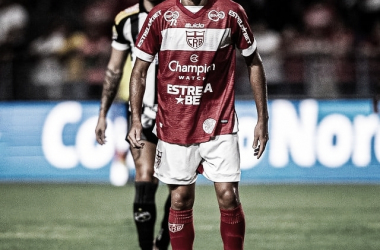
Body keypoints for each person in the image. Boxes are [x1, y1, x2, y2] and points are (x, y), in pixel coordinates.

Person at [127, 0, 269, 249]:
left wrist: (262, 119)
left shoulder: (230, 13)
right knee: (180, 198)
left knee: (228, 195)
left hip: (219, 121)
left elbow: (254, 62)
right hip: (174, 124)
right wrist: (136, 119)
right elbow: (139, 71)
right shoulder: (161, 15)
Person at [94, 0, 171, 249]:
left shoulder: (185, 12)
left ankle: (164, 240)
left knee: (179, 186)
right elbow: (114, 69)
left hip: (181, 113)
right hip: (143, 113)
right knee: (144, 174)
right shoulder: (126, 20)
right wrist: (103, 113)